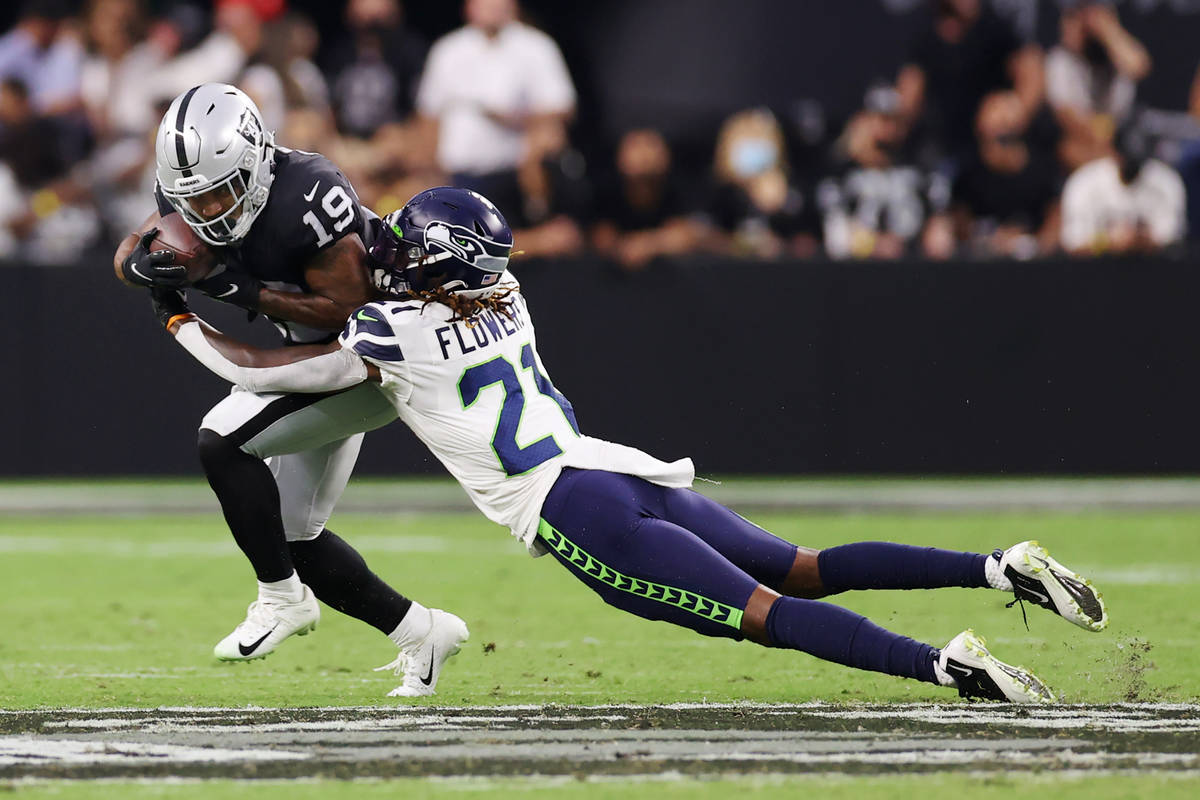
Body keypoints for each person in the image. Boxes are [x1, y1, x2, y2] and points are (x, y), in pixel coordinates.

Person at [149, 186, 1111, 703]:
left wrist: (179, 315)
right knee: (805, 565)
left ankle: (946, 667)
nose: (391, 242)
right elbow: (401, 282)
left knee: (767, 611)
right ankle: (997, 567)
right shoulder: (505, 293)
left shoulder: (391, 334)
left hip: (573, 507)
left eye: (409, 240)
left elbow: (267, 376)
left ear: (434, 266)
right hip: (617, 467)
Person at [111, 83, 467, 697]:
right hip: (314, 355)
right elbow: (133, 249)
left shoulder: (307, 191)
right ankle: (422, 632)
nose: (211, 211)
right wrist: (141, 269)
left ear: (254, 159)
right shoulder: (187, 193)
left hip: (369, 355)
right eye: (195, 198)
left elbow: (347, 309)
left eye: (222, 190)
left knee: (222, 442)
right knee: (294, 535)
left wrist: (233, 291)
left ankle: (279, 599)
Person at [1046, 0, 1150, 171]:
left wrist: (1108, 31)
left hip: (1120, 143)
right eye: (1073, 18)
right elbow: (1069, 118)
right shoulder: (1061, 61)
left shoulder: (1116, 58)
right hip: (1082, 146)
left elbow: (1139, 67)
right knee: (1071, 150)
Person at [1060, 124, 1186, 256]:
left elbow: (1172, 240)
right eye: (1126, 158)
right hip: (1095, 270)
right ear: (1113, 152)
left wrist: (1139, 240)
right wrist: (1107, 241)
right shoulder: (1086, 182)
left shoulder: (1165, 181)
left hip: (1152, 269)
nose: (1130, 165)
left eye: (1136, 160)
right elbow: (1073, 243)